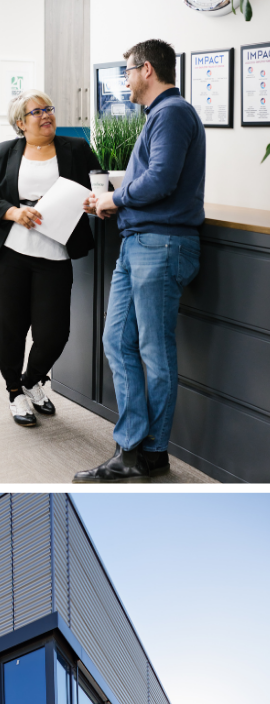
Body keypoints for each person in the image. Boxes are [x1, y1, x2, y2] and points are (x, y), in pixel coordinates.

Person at [74, 38, 206, 483]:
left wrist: (116, 196)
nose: (125, 80)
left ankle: (144, 452)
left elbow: (162, 180)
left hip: (161, 245)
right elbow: (152, 180)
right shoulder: (161, 117)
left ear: (147, 70)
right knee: (118, 341)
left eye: (128, 71)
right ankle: (136, 448)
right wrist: (114, 201)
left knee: (153, 350)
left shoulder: (172, 113)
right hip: (141, 243)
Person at [0, 90, 100, 428]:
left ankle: (32, 379)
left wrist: (95, 202)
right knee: (12, 328)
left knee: (54, 332)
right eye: (37, 111)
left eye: (49, 109)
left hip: (54, 253)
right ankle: (15, 390)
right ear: (21, 122)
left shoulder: (75, 148)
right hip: (7, 255)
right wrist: (15, 212)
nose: (47, 115)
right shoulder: (4, 152)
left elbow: (99, 186)